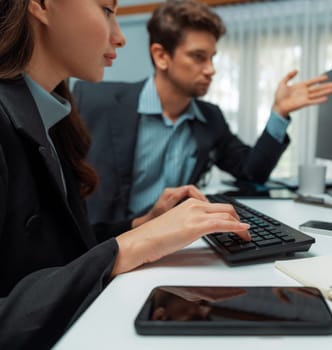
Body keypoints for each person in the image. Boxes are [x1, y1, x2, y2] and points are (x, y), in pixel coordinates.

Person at [0, 1, 250, 348]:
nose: (120, 38)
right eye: (107, 10)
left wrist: (143, 223)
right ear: (41, 5)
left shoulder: (54, 117)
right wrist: (130, 246)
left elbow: (63, 249)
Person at [73, 0, 332, 226]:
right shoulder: (95, 100)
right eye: (198, 57)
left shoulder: (211, 118)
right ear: (161, 56)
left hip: (176, 245)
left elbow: (251, 172)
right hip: (107, 247)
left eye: (212, 57)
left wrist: (278, 113)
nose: (211, 69)